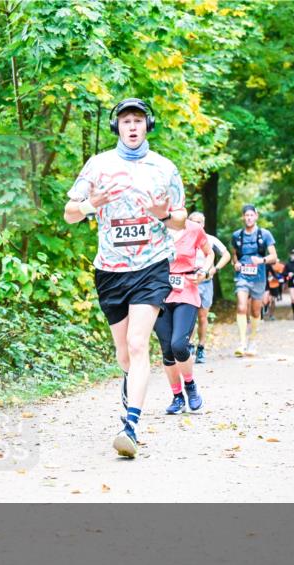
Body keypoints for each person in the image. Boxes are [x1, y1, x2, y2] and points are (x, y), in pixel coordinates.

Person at [64, 97, 187, 458]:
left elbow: (180, 219)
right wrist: (92, 205)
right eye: (125, 121)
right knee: (124, 354)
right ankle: (131, 384)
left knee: (138, 344)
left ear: (147, 125)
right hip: (111, 270)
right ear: (116, 126)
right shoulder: (98, 165)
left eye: (137, 120)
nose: (131, 126)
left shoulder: (164, 168)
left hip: (151, 266)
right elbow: (70, 214)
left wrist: (165, 216)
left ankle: (129, 426)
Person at [154, 214, 214, 414]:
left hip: (186, 290)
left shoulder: (194, 229)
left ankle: (191, 386)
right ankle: (177, 397)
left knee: (178, 345)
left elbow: (210, 254)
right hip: (159, 293)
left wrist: (204, 271)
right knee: (167, 351)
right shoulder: (153, 228)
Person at [230, 204, 277, 356]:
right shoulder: (237, 235)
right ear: (243, 217)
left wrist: (261, 260)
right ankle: (242, 343)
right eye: (246, 215)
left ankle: (253, 341)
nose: (249, 218)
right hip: (242, 276)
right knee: (242, 307)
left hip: (259, 276)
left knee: (256, 311)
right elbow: (234, 255)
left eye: (251, 215)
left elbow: (274, 257)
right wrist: (236, 263)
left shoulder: (265, 234)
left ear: (256, 216)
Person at [187, 211, 230, 363]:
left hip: (205, 283)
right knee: (189, 317)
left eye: (199, 222)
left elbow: (226, 254)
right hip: (189, 282)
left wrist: (215, 269)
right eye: (193, 221)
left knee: (202, 317)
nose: (196, 224)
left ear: (203, 224)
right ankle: (189, 346)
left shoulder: (210, 240)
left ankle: (201, 348)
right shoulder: (185, 239)